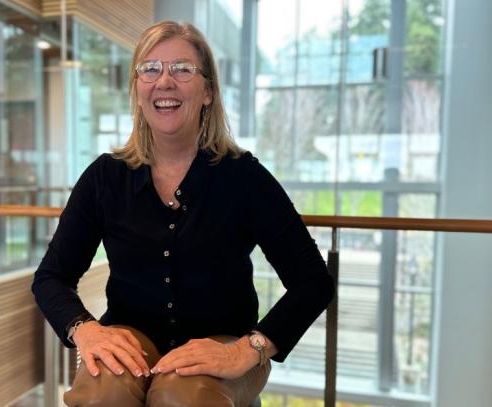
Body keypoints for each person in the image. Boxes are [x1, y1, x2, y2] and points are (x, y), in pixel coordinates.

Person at [32, 20, 335, 407]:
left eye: (182, 69)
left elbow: (313, 281)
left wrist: (248, 349)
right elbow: (51, 277)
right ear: (137, 89)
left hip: (223, 343)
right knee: (101, 395)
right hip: (132, 339)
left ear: (208, 91)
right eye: (150, 69)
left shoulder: (244, 177)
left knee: (183, 399)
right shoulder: (105, 178)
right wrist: (85, 329)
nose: (164, 82)